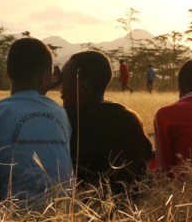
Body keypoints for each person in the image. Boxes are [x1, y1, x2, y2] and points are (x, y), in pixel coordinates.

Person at [0, 37, 73, 203]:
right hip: (64, 213)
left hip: (12, 217)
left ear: (8, 73)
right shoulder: (59, 112)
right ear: (44, 77)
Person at [61, 51, 153, 194]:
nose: (60, 87)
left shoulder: (62, 119)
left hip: (77, 208)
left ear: (82, 85)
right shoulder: (129, 118)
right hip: (128, 208)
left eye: (63, 80)